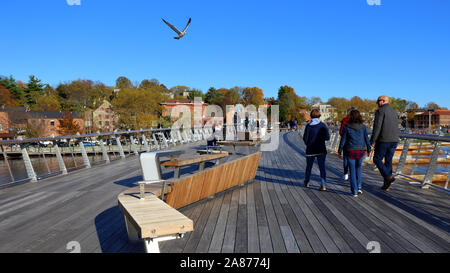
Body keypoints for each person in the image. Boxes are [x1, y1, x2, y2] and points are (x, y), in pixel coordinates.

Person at [338, 109, 371, 197]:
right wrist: (369, 149)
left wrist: (340, 151)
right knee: (358, 169)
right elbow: (366, 139)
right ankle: (360, 187)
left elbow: (343, 140)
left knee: (352, 171)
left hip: (350, 151)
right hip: (361, 151)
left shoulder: (346, 127)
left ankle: (354, 191)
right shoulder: (363, 127)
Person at [370, 95, 400, 191]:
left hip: (384, 140)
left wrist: (372, 141)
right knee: (388, 161)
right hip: (394, 140)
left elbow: (377, 127)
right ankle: (386, 185)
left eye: (378, 101)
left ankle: (388, 177)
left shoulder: (380, 111)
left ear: (383, 101)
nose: (377, 103)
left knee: (376, 159)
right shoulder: (393, 111)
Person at [302, 109, 330, 191]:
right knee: (322, 168)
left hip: (310, 150)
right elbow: (327, 137)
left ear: (311, 116)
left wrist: (308, 144)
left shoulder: (308, 126)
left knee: (309, 167)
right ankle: (323, 184)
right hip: (321, 149)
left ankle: (307, 182)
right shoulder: (323, 125)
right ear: (319, 116)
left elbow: (305, 138)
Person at [339, 107, 355, 181]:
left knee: (345, 159)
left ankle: (345, 174)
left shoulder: (344, 120)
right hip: (355, 142)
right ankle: (353, 174)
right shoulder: (357, 121)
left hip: (346, 142)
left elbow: (341, 132)